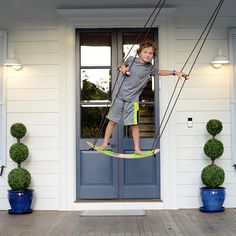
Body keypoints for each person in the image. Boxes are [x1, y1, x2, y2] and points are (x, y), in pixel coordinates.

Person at [98, 40, 188, 155]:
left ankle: (137, 149)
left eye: (150, 53)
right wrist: (123, 69)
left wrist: (175, 72)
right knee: (112, 122)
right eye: (145, 52)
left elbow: (160, 71)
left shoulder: (150, 67)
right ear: (139, 52)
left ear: (153, 56)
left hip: (132, 100)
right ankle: (105, 144)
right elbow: (122, 66)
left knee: (134, 125)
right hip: (119, 96)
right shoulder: (131, 60)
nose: (148, 55)